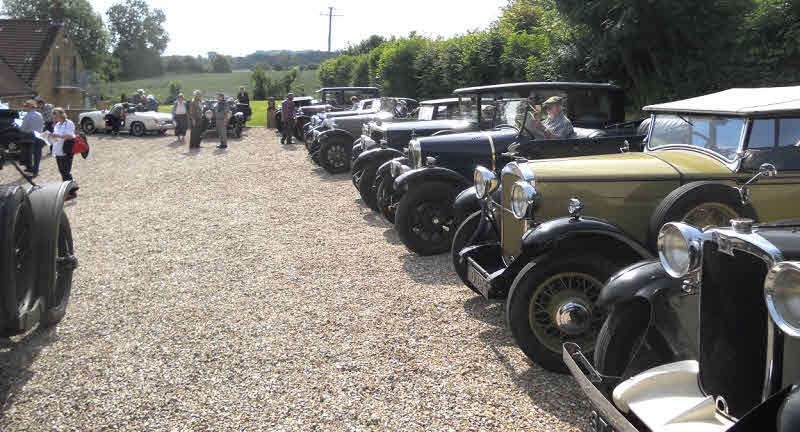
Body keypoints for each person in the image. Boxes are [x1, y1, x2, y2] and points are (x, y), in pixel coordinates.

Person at [51, 107, 76, 186]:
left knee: (66, 171)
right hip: (58, 150)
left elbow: (70, 136)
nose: (54, 118)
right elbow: (56, 136)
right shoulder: (57, 124)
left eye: (56, 116)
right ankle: (67, 188)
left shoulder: (69, 123)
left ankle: (71, 189)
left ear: (61, 115)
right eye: (54, 116)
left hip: (66, 150)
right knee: (62, 171)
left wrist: (58, 135)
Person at [19, 100, 44, 177]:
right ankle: (35, 170)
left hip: (30, 136)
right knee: (37, 155)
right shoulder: (39, 114)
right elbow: (42, 125)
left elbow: (23, 128)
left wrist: (18, 126)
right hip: (39, 135)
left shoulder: (27, 116)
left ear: (30, 107)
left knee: (28, 154)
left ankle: (30, 169)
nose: (24, 108)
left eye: (26, 106)